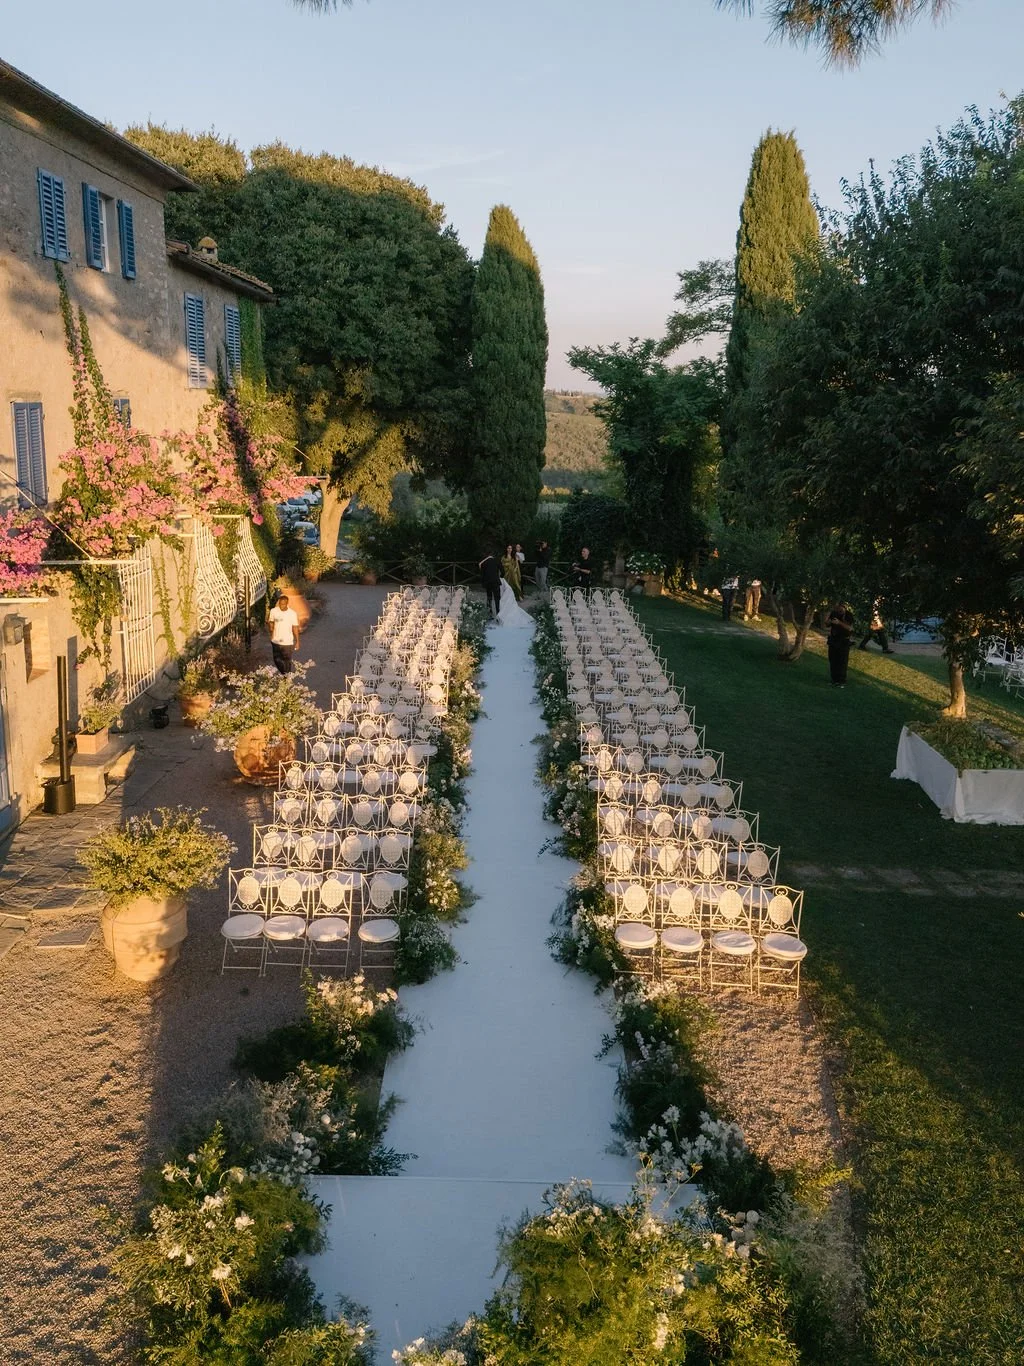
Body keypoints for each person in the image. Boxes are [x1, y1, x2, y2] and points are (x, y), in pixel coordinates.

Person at [268, 593, 300, 674]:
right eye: (280, 604)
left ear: (287, 604)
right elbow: (271, 621)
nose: (281, 606)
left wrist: (297, 641)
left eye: (283, 604)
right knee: (276, 659)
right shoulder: (273, 611)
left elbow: (295, 627)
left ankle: (287, 677)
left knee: (287, 661)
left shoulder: (292, 613)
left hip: (287, 642)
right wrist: (271, 632)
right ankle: (284, 673)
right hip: (276, 640)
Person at [826, 601, 855, 687]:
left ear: (844, 607)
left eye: (841, 608)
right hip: (833, 639)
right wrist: (830, 622)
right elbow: (827, 624)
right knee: (833, 660)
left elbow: (850, 628)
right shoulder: (834, 613)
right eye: (837, 608)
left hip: (844, 641)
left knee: (842, 662)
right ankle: (834, 680)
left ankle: (841, 681)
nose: (839, 610)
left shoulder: (849, 615)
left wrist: (839, 623)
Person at [479, 549, 501, 619]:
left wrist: (483, 583)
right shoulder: (497, 561)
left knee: (489, 598)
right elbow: (503, 571)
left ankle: (490, 614)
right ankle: (498, 614)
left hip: (488, 583)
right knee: (497, 599)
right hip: (496, 582)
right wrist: (500, 577)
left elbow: (482, 575)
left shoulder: (484, 563)